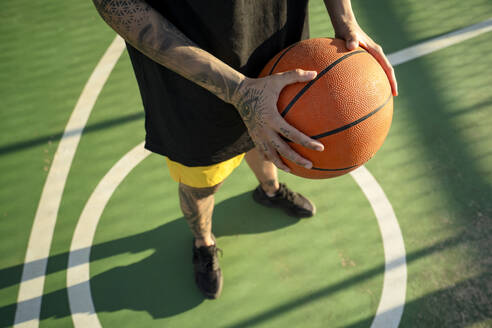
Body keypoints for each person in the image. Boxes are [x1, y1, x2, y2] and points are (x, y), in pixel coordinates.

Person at [92, 0, 397, 299]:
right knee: (202, 184)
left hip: (280, 49)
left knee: (271, 139)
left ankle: (269, 189)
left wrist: (344, 17)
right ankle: (203, 242)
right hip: (196, 77)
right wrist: (239, 90)